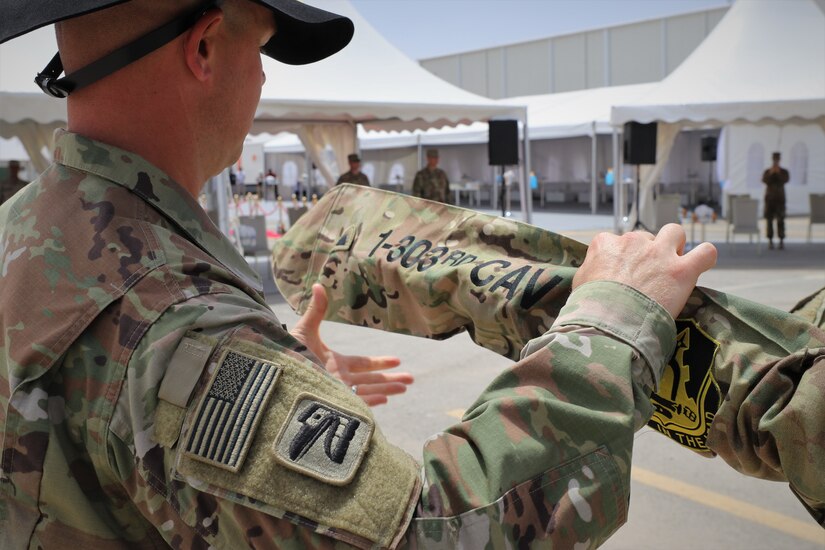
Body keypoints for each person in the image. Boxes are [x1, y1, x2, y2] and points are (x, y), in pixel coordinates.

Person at [0, 1, 718, 548]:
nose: (260, 76)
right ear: (205, 47)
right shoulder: (175, 322)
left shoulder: (22, 230)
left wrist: (276, 374)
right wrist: (612, 323)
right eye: (260, 49)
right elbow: (440, 530)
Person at [762, 151, 790, 250]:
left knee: (781, 220)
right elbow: (765, 180)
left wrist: (778, 173)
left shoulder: (783, 172)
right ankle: (770, 240)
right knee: (769, 221)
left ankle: (781, 240)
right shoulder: (768, 171)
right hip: (770, 200)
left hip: (780, 199)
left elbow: (785, 180)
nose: (776, 161)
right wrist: (771, 173)